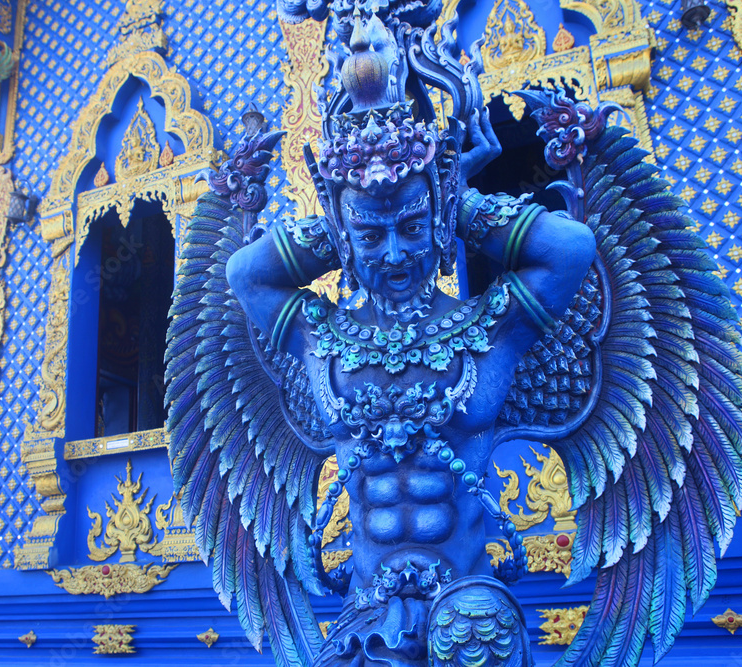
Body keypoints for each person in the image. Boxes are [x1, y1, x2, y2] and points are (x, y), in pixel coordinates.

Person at [224, 14, 595, 666]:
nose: (394, 254)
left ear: (438, 217)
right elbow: (245, 274)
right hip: (364, 621)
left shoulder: (488, 331)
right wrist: (339, 223)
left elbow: (570, 248)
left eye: (412, 226)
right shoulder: (321, 338)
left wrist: (461, 205)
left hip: (469, 618)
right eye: (371, 235)